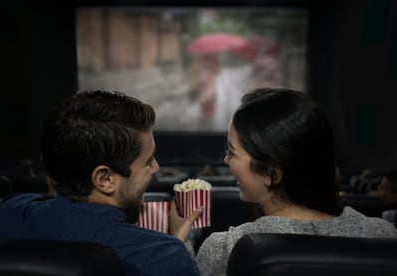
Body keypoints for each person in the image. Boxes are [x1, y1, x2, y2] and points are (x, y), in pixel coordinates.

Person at [170, 88, 397, 276]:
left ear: (271, 174)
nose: (226, 159)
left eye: (232, 151)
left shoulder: (224, 248)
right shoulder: (384, 234)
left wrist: (180, 240)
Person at [0, 90, 201, 276]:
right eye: (148, 161)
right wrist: (178, 242)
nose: (156, 168)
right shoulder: (165, 257)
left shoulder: (10, 214)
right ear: (105, 179)